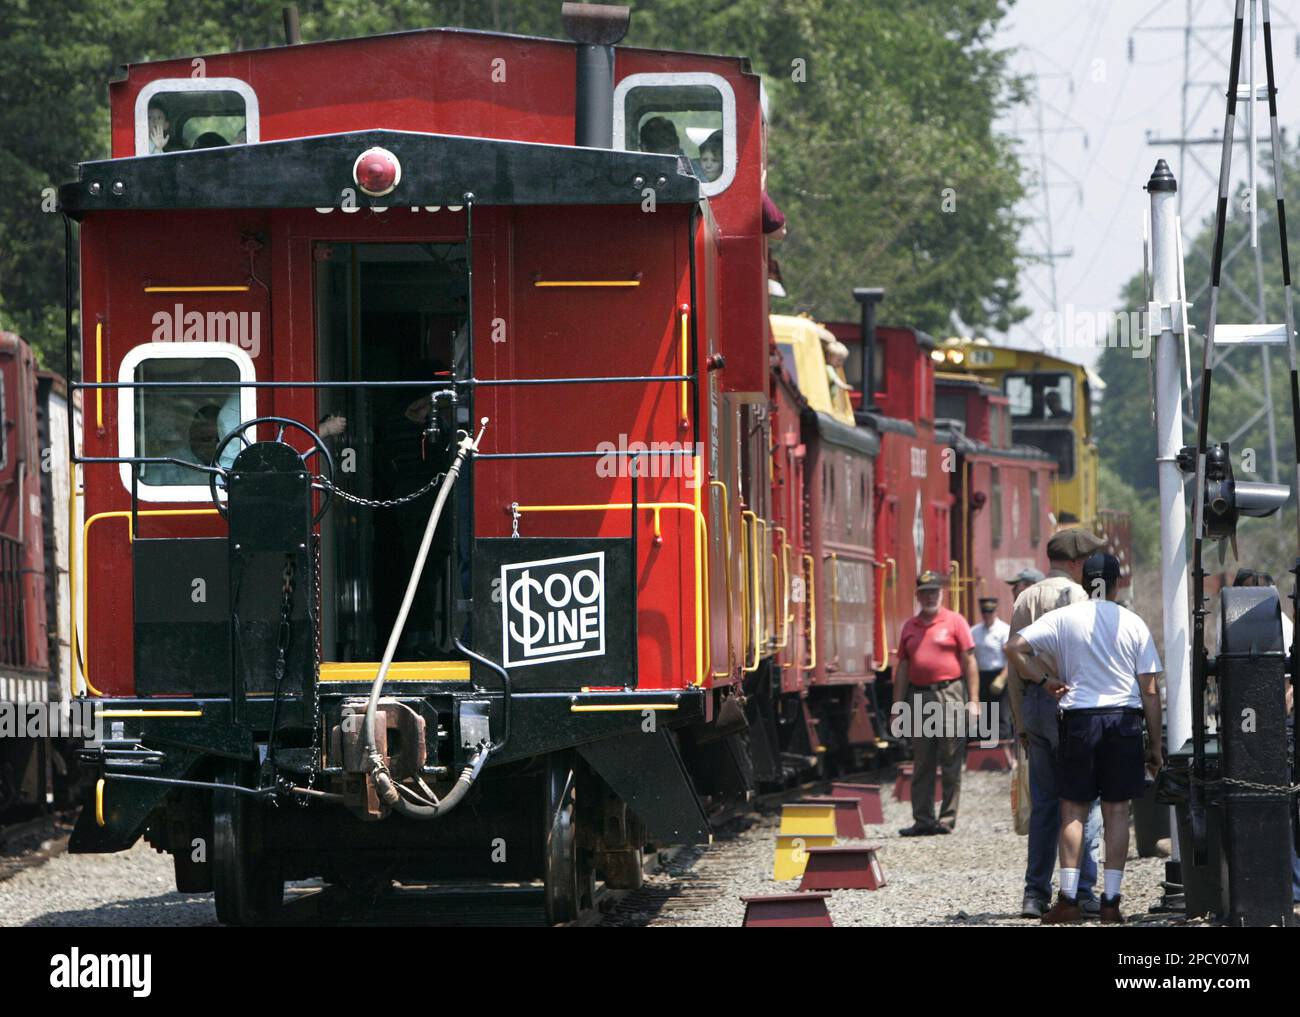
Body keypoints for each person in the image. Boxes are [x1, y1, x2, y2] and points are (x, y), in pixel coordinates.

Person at [1005, 552, 1163, 924]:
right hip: (1123, 721)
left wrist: (1044, 682)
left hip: (1078, 721)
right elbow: (1150, 691)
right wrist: (1154, 746)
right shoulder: (1133, 622)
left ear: (1082, 582)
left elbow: (1013, 647)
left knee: (1072, 811)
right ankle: (1110, 903)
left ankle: (1068, 901)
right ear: (1118, 582)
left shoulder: (1062, 619)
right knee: (1117, 812)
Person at [1007, 528, 1105, 919]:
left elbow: (1014, 666)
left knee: (1045, 805)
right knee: (1086, 801)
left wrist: (1020, 722)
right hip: (1075, 705)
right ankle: (1082, 889)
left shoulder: (1025, 596)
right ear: (1078, 562)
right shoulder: (1082, 598)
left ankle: (1035, 893)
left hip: (1036, 705)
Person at [894, 570, 980, 836]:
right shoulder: (909, 626)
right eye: (925, 592)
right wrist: (897, 706)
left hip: (949, 692)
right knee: (922, 760)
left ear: (942, 594)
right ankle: (922, 819)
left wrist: (974, 701)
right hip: (919, 696)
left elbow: (970, 662)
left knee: (951, 757)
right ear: (918, 595)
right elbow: (904, 667)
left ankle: (947, 818)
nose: (930, 596)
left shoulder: (955, 622)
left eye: (935, 591)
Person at [972, 597, 1012, 740]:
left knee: (1001, 715)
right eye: (984, 612)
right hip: (981, 676)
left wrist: (1002, 678)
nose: (987, 615)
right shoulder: (975, 631)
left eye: (990, 611)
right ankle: (985, 750)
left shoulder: (1004, 630)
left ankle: (1003, 751)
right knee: (985, 716)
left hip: (999, 675)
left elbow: (1011, 658)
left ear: (996, 611)